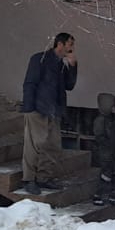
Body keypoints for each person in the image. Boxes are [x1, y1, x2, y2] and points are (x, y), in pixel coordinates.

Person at [18, 32, 78, 195]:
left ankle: (44, 177)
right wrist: (29, 108)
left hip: (54, 109)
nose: (72, 48)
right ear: (60, 44)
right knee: (35, 144)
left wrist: (73, 66)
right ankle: (29, 179)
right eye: (70, 44)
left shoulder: (62, 63)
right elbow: (30, 83)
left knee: (52, 145)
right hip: (38, 107)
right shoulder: (40, 59)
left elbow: (69, 85)